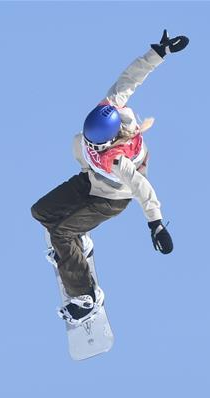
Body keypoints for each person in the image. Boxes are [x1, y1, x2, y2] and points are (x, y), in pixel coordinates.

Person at [31, 30, 189, 324]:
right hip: (91, 180)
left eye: (95, 145)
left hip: (110, 200)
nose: (91, 145)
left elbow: (142, 187)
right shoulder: (111, 106)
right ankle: (74, 252)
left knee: (61, 233)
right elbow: (130, 78)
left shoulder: (117, 159)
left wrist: (156, 225)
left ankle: (86, 296)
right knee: (41, 212)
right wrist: (159, 53)